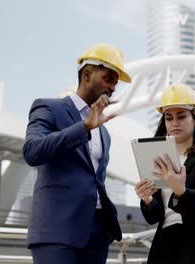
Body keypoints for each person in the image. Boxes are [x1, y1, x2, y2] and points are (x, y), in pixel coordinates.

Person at [22, 43, 131, 264]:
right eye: (108, 79)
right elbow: (32, 151)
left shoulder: (104, 132)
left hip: (97, 233)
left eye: (115, 83)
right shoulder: (49, 107)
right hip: (57, 230)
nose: (112, 88)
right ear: (87, 74)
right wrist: (84, 127)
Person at [134, 83, 195, 264]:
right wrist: (147, 200)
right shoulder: (158, 157)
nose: (175, 123)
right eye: (169, 118)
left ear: (194, 119)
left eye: (181, 116)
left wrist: (181, 190)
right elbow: (154, 217)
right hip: (166, 244)